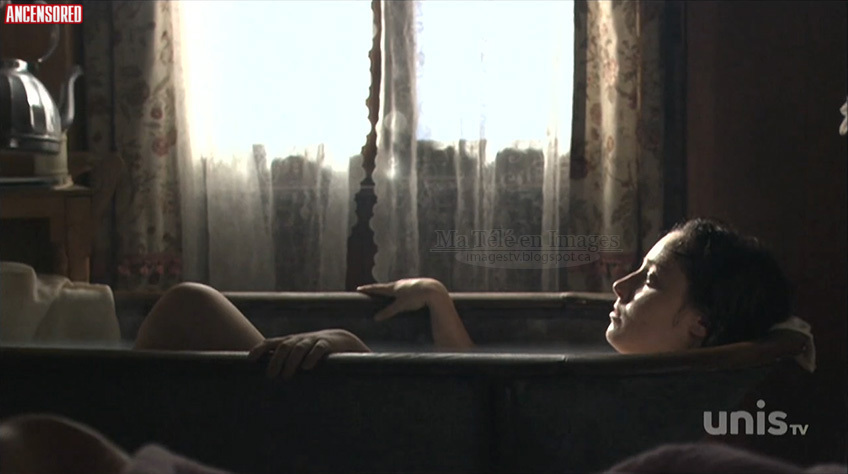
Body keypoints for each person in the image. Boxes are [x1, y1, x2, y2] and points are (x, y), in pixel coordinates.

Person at [133, 217, 798, 378]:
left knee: (190, 305)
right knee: (188, 305)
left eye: (649, 280)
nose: (620, 286)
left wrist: (347, 354)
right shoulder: (618, 383)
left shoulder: (636, 412)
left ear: (699, 325)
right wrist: (437, 300)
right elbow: (479, 393)